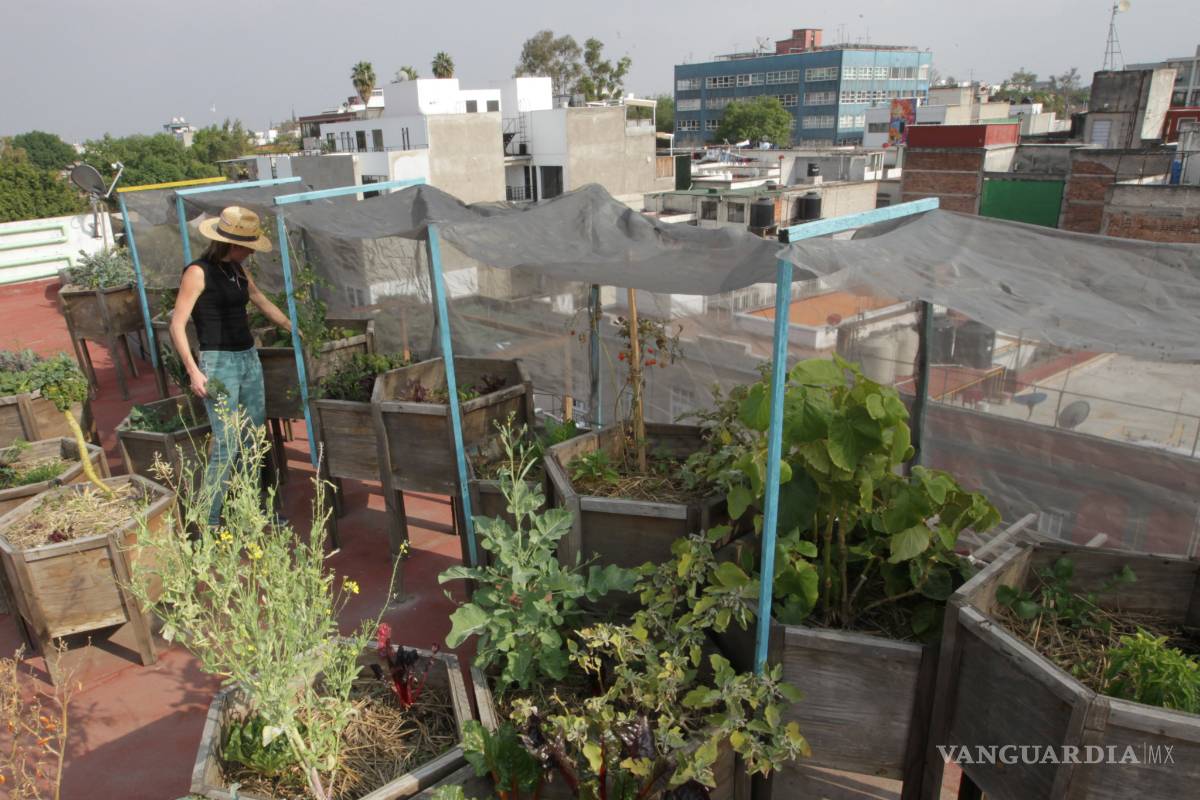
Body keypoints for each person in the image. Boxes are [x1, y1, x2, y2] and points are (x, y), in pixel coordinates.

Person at [169, 206, 294, 526]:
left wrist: (294, 329)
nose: (250, 252)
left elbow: (262, 301)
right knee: (226, 443)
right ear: (230, 243)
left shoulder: (238, 270)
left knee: (254, 439)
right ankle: (207, 520)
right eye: (247, 246)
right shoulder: (197, 272)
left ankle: (251, 511)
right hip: (218, 363)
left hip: (248, 358)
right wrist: (194, 370)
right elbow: (177, 324)